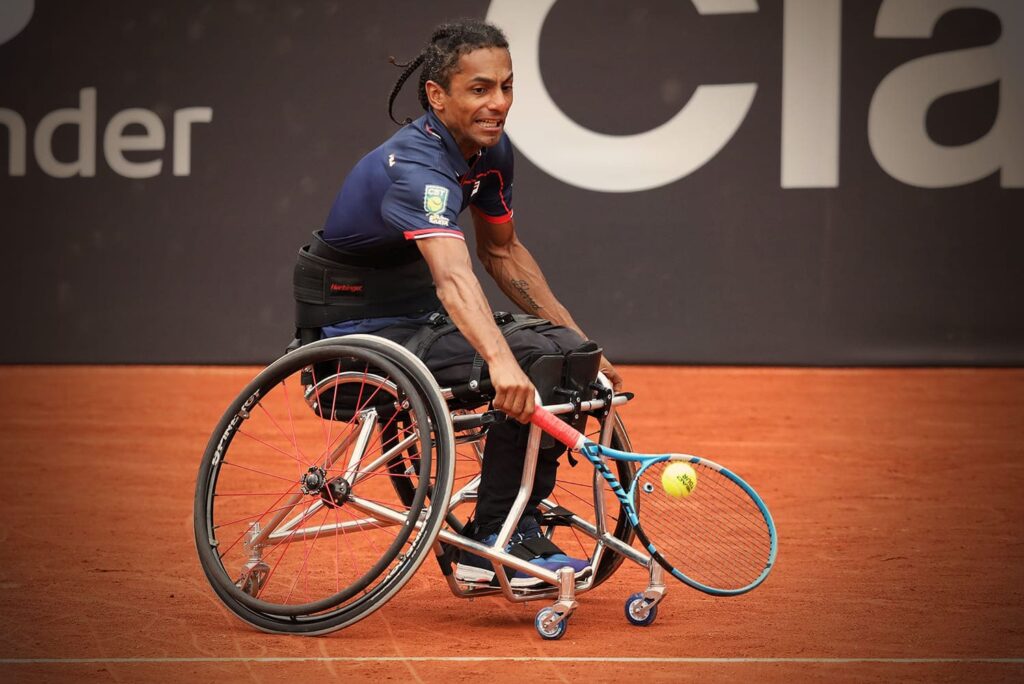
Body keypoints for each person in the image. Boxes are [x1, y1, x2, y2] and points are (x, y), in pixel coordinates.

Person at [293, 18, 622, 587]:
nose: (499, 103)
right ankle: (494, 539)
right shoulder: (415, 168)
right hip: (351, 335)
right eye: (480, 89)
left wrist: (583, 342)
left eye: (506, 86)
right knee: (531, 362)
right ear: (437, 96)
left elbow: (503, 254)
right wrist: (501, 362)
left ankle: (514, 519)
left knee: (567, 355)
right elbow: (453, 277)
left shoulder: (491, 155)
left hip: (418, 319)